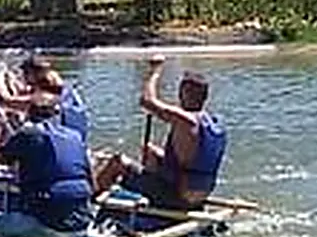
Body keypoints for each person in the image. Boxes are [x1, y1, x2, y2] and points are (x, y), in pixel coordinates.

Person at [93, 55, 227, 212]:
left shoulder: (186, 120)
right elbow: (190, 161)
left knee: (117, 161)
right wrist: (157, 154)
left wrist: (155, 70)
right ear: (205, 96)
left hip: (176, 197)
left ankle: (87, 201)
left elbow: (147, 101)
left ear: (184, 93)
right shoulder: (215, 124)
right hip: (199, 194)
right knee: (151, 151)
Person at [0, 91, 94, 237]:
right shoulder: (75, 136)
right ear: (57, 113)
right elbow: (93, 184)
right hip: (83, 225)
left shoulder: (29, 135)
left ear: (29, 112)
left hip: (48, 226)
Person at [0, 55, 89, 141]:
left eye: (25, 73)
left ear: (33, 74)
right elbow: (23, 93)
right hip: (70, 136)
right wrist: (10, 79)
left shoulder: (43, 98)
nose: (23, 76)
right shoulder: (58, 90)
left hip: (51, 136)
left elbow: (6, 99)